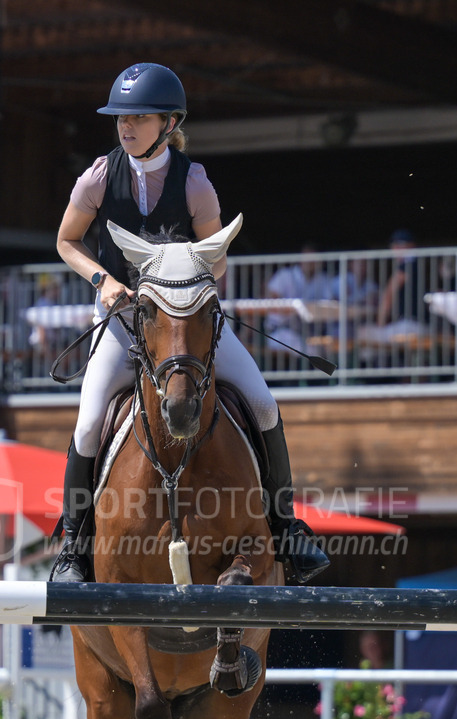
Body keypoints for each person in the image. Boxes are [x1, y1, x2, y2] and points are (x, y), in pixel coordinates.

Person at [50, 62, 329, 585]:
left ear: (168, 123)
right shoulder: (96, 177)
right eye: (120, 119)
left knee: (263, 403)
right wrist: (101, 280)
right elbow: (67, 241)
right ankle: (72, 546)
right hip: (125, 320)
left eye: (138, 118)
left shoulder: (194, 182)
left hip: (188, 322)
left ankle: (287, 527)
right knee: (89, 422)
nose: (125, 127)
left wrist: (183, 270)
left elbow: (217, 259)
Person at [264, 244, 331, 352]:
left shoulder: (322, 279)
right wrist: (291, 309)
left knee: (326, 346)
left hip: (308, 332)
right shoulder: (285, 275)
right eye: (307, 258)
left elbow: (330, 303)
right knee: (311, 351)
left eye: (313, 260)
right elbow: (271, 297)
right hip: (280, 331)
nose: (309, 263)